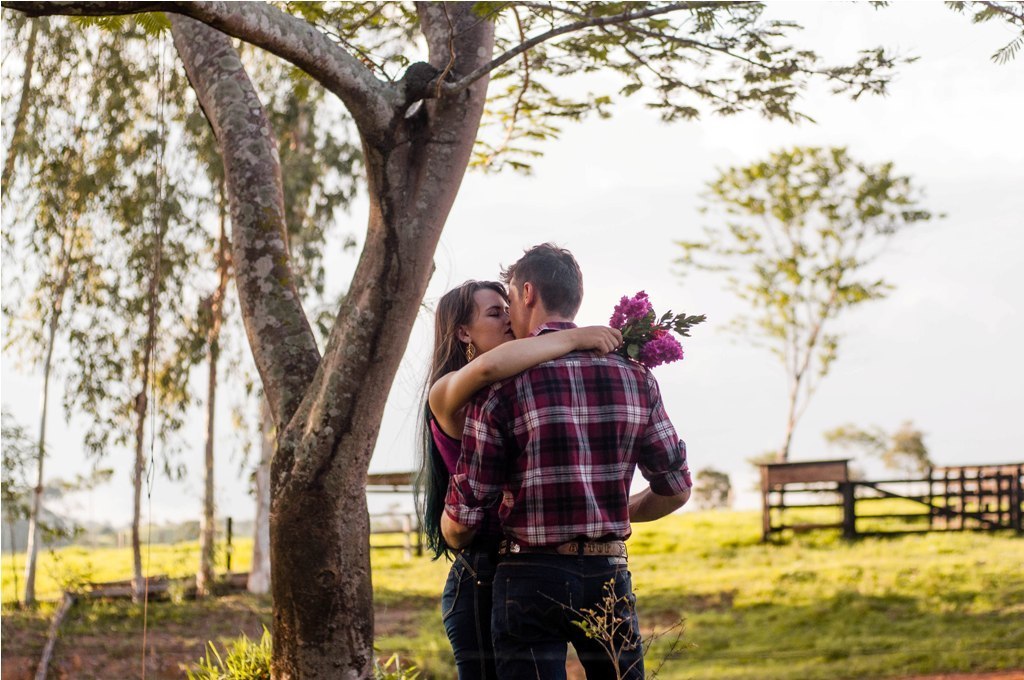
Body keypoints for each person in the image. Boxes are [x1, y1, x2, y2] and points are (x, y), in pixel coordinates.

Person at [442, 244, 692, 680]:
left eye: (507, 302)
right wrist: (615, 513)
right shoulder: (636, 377)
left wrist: (448, 530)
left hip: (528, 576)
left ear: (527, 292)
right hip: (608, 571)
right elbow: (676, 488)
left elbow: (466, 515)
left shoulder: (502, 387)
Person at [419, 279, 621, 680]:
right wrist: (576, 337)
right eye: (495, 314)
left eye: (507, 310)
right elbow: (491, 365)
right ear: (462, 333)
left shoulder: (513, 387)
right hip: (480, 576)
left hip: (528, 571)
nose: (508, 321)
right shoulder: (446, 391)